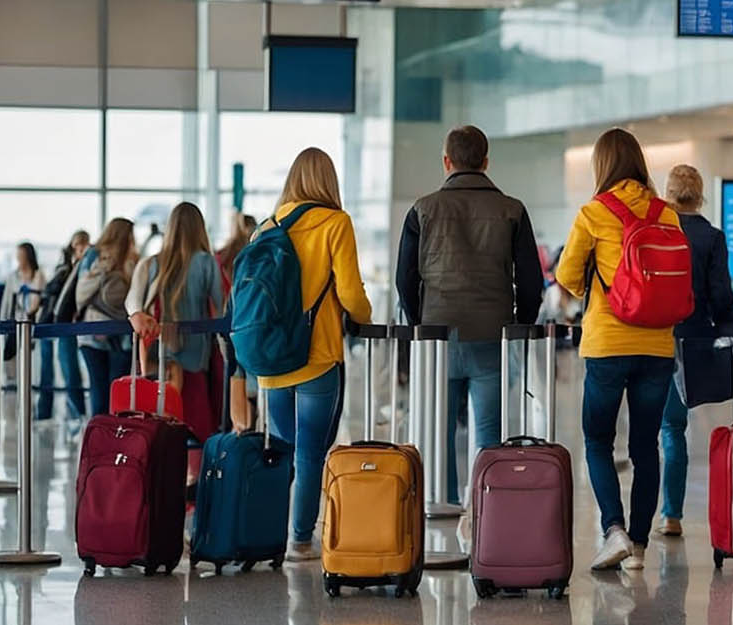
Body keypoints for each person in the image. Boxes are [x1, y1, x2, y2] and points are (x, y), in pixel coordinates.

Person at [395, 124, 544, 506]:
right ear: (486, 161)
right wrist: (520, 326)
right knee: (488, 432)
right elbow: (530, 281)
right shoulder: (512, 209)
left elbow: (404, 278)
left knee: (439, 431)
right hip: (492, 334)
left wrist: (419, 325)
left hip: (437, 336)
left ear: (446, 162)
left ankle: (443, 507)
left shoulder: (422, 209)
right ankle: (485, 511)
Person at [553, 128, 678, 571]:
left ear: (602, 166)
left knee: (597, 439)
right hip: (659, 345)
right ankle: (640, 546)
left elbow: (566, 277)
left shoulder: (594, 213)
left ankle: (614, 530)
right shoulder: (668, 214)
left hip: (608, 341)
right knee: (646, 445)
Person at [258, 148, 373, 562]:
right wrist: (364, 315)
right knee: (309, 452)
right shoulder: (335, 223)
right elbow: (351, 294)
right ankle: (301, 539)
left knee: (284, 450)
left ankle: (268, 531)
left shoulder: (266, 227)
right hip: (317, 355)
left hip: (271, 363)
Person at [655, 164, 733, 538]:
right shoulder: (712, 237)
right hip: (693, 339)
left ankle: (645, 515)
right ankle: (671, 514)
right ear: (700, 195)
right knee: (675, 427)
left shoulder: (656, 231)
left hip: (652, 336)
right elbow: (721, 292)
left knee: (652, 428)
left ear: (668, 195)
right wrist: (728, 333)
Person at [127, 202, 226, 487]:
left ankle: (162, 486)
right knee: (199, 430)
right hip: (195, 361)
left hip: (158, 363)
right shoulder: (206, 262)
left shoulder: (153, 263)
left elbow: (133, 303)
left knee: (161, 425)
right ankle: (195, 490)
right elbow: (221, 311)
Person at [76, 219, 138, 416]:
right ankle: (99, 440)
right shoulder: (95, 255)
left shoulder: (133, 259)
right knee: (100, 392)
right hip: (93, 333)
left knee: (118, 393)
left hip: (122, 336)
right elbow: (81, 292)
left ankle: (114, 437)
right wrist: (105, 268)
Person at [39, 232, 91, 421]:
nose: (81, 250)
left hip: (72, 326)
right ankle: (68, 413)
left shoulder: (84, 267)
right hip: (63, 324)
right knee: (63, 368)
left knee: (71, 372)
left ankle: (79, 414)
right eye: (77, 246)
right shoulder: (66, 268)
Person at [215, 214, 260, 430]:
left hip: (231, 327)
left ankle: (239, 431)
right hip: (255, 329)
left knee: (234, 377)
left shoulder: (222, 256)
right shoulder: (258, 257)